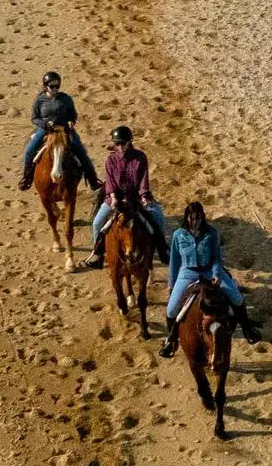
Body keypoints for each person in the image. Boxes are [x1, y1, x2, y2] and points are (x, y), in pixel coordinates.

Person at [159, 199, 259, 355]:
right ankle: (171, 340)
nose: (194, 222)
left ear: (202, 217)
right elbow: (174, 261)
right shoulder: (178, 235)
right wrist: (171, 284)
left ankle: (247, 329)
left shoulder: (211, 233)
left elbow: (217, 258)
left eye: (197, 218)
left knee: (237, 297)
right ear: (186, 218)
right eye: (191, 218)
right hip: (187, 273)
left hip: (209, 271)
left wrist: (217, 274)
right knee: (171, 310)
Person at [90, 124, 164, 256]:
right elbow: (110, 181)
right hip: (115, 198)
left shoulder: (140, 157)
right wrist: (113, 197)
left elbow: (143, 178)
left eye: (122, 143)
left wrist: (143, 196)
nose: (120, 147)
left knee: (158, 217)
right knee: (97, 223)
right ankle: (98, 254)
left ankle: (163, 250)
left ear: (129, 141)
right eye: (117, 144)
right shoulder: (111, 160)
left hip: (136, 197)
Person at [19, 71, 98, 192]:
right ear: (46, 86)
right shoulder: (39, 100)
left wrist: (71, 121)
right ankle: (26, 178)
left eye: (57, 85)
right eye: (52, 86)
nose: (55, 88)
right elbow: (34, 118)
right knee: (29, 150)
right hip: (46, 130)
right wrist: (45, 124)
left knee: (81, 152)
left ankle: (93, 179)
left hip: (64, 129)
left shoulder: (66, 98)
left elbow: (72, 114)